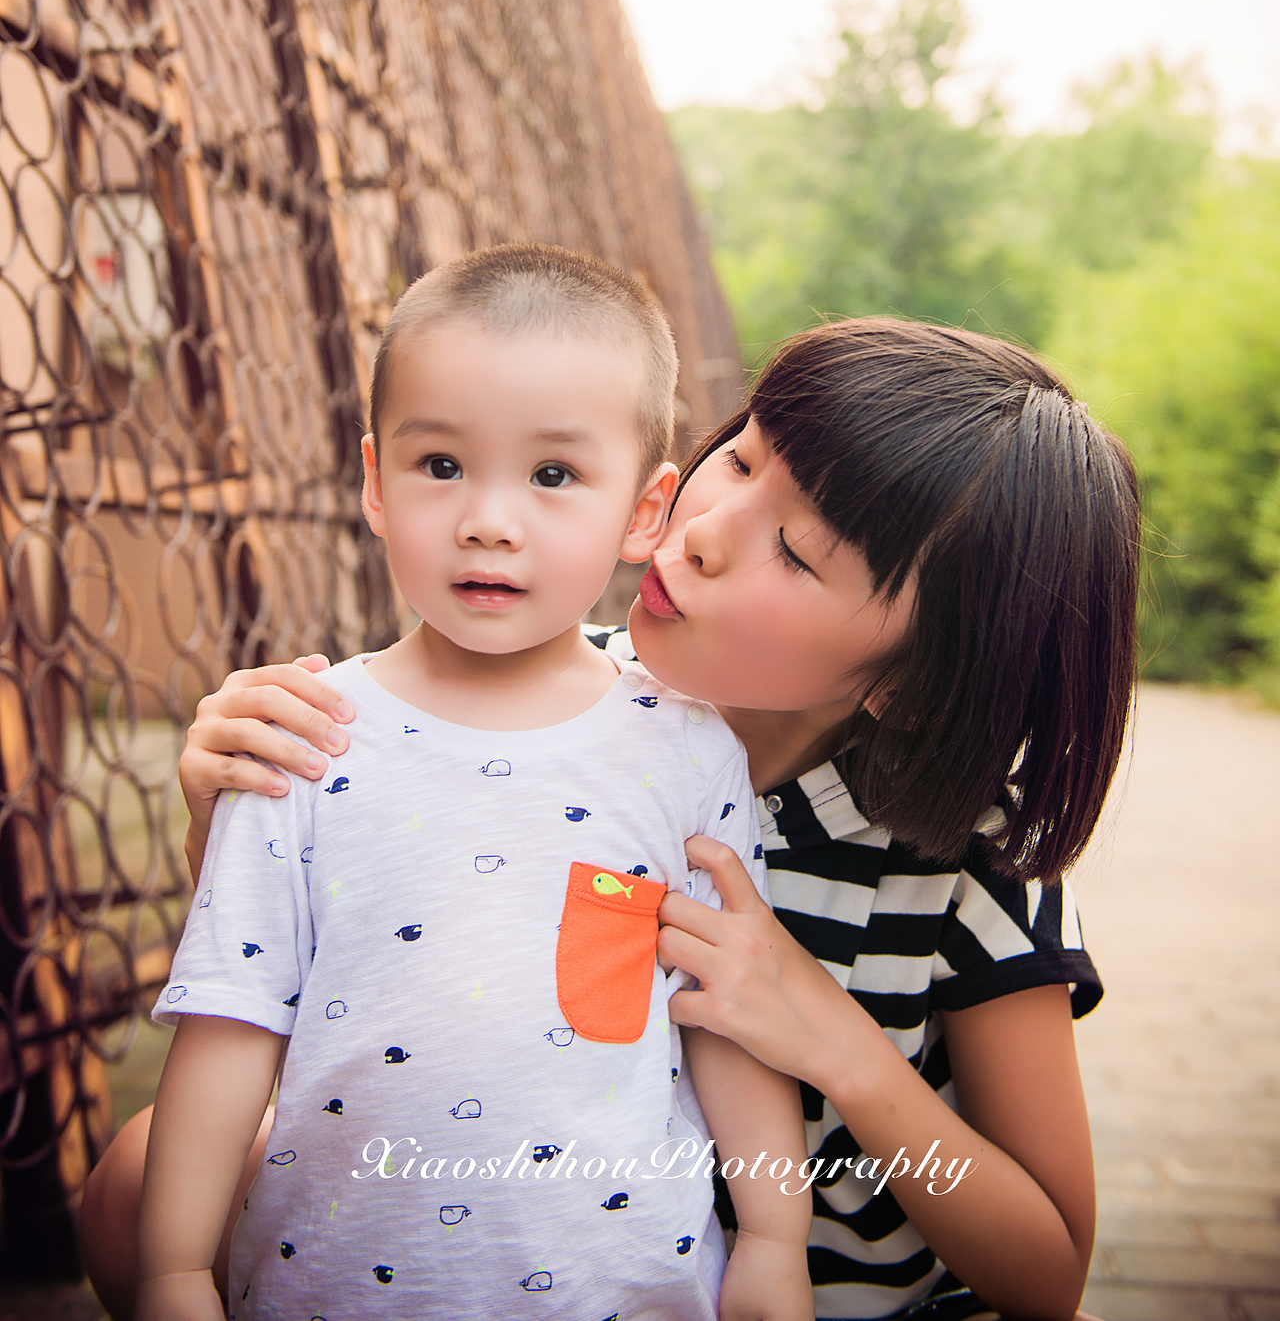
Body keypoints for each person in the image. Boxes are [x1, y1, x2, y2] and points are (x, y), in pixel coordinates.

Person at [82, 312, 1136, 1321]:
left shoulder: (967, 861)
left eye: (797, 550)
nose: (707, 532)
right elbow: (356, 962)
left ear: (909, 682)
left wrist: (835, 1044)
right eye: (739, 458)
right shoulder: (531, 695)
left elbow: (1046, 1270)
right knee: (143, 1176)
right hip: (503, 1243)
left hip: (787, 1291)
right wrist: (230, 815)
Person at [127, 245, 814, 1321]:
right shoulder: (306, 738)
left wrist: (775, 1235)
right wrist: (173, 1269)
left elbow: (720, 1010)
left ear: (643, 511)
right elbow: (230, 1016)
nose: (489, 518)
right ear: (372, 482)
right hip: (337, 1285)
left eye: (551, 475)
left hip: (622, 1283)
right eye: (439, 464)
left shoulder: (684, 749)